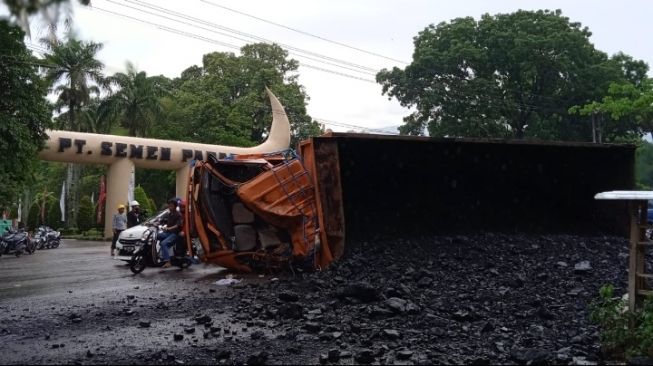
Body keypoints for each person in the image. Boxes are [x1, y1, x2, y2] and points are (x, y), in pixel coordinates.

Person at [157, 198, 183, 268]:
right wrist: (153, 223)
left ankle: (168, 261)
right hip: (168, 233)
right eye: (169, 205)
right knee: (156, 236)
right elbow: (162, 221)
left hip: (174, 234)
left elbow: (177, 225)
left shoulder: (178, 215)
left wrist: (169, 228)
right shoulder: (169, 214)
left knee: (164, 243)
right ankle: (158, 255)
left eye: (171, 205)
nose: (169, 207)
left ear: (175, 206)